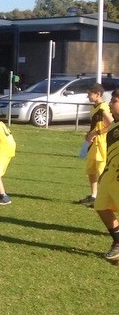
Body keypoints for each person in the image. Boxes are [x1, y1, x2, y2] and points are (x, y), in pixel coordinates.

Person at [93, 89, 119, 261]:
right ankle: (118, 241)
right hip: (111, 173)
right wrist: (104, 173)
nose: (110, 104)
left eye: (115, 101)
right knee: (101, 207)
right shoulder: (114, 126)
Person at [78, 83, 113, 207]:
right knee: (91, 171)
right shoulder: (94, 108)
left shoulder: (103, 108)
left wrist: (97, 133)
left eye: (89, 94)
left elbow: (111, 125)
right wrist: (89, 133)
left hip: (101, 145)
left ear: (98, 94)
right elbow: (95, 124)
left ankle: (105, 198)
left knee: (101, 172)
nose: (88, 97)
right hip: (93, 145)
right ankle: (94, 195)